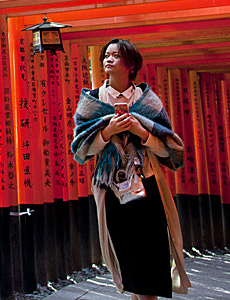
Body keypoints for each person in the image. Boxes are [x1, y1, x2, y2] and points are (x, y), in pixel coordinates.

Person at [71, 39, 190, 298]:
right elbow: (82, 150)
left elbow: (168, 149)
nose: (108, 59)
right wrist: (108, 131)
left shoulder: (147, 100)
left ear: (131, 64)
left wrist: (141, 132)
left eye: (116, 55)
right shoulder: (93, 101)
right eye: (106, 55)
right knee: (126, 253)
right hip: (112, 186)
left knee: (152, 251)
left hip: (147, 183)